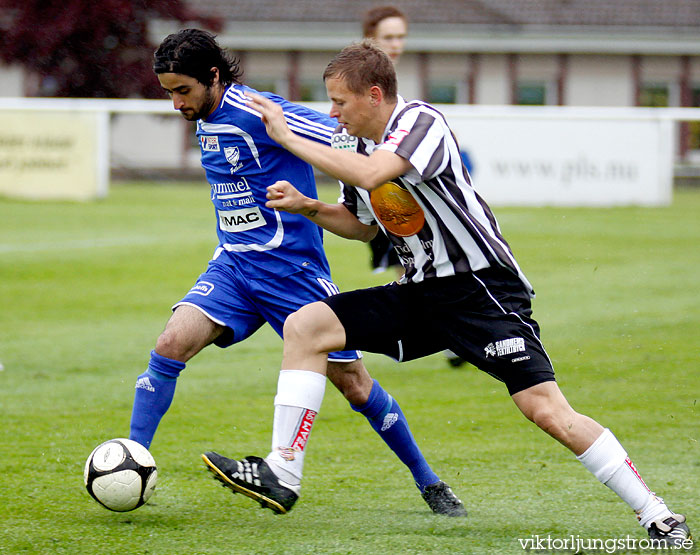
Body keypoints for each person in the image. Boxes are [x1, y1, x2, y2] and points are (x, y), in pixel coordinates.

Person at [202, 41, 691, 547]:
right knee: (307, 326)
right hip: (420, 291)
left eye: (340, 103)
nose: (332, 114)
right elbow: (363, 227)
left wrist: (285, 135)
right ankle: (284, 472)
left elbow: (375, 176)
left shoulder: (421, 122)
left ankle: (658, 514)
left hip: (481, 291)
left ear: (374, 95)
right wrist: (308, 205)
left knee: (546, 411)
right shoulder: (353, 148)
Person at [129, 28, 466, 517]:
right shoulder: (205, 116)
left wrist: (387, 187)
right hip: (235, 268)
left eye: (183, 91)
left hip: (294, 273)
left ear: (214, 77)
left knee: (355, 385)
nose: (176, 103)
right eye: (168, 93)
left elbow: (346, 137)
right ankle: (133, 458)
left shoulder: (261, 114)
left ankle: (430, 483)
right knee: (169, 344)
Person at [361, 5, 407, 279]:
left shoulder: (390, 81)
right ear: (370, 37)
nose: (397, 45)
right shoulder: (361, 81)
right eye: (389, 37)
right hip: (380, 191)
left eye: (401, 37)